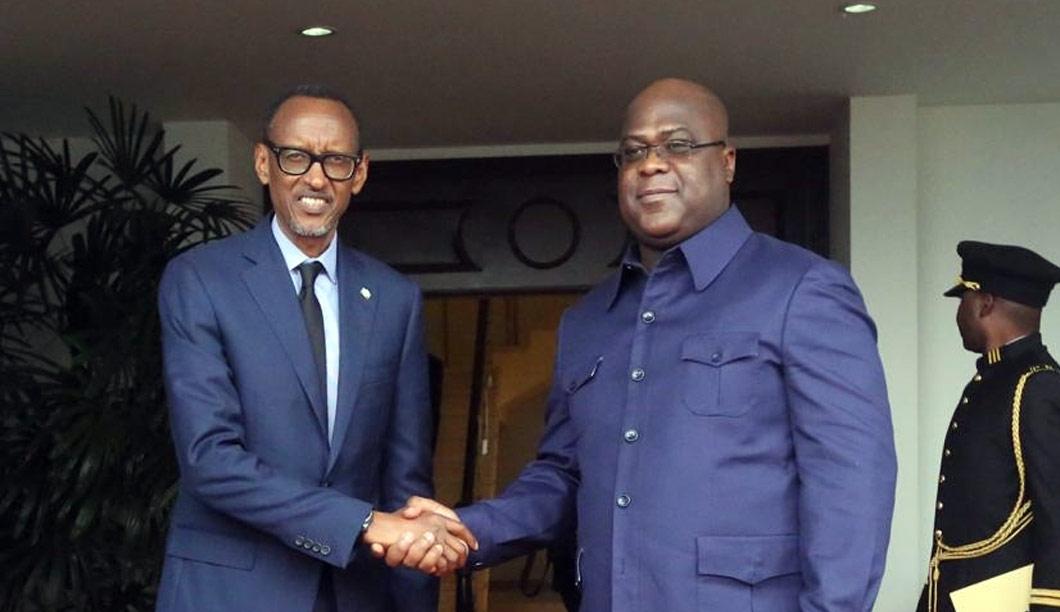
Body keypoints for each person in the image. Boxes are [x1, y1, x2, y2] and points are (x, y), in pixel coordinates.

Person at [391, 78, 897, 611]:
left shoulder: (800, 290)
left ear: (726, 162)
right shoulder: (588, 321)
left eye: (677, 145)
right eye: (633, 152)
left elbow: (852, 482)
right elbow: (563, 478)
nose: (651, 164)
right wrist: (467, 529)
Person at [155, 85, 474, 612]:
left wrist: (416, 593)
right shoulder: (202, 281)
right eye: (296, 157)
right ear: (263, 163)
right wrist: (363, 523)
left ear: (360, 174)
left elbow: (405, 473)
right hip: (232, 594)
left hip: (355, 593)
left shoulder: (394, 299)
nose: (316, 178)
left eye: (336, 161)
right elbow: (208, 458)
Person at [918, 241, 1060, 612]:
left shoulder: (1036, 386)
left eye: (963, 299)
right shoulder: (994, 380)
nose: (959, 313)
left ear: (985, 303)